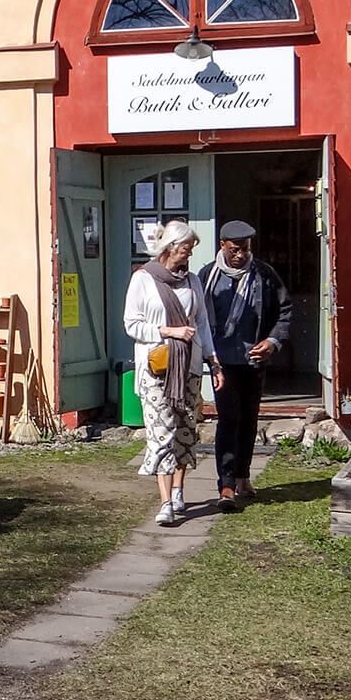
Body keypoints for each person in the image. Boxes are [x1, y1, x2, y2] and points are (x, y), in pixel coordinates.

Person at [124, 220, 221, 527]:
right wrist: (167, 331)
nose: (189, 254)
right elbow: (131, 324)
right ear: (169, 248)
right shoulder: (143, 279)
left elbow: (202, 323)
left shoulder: (192, 280)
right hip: (157, 368)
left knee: (185, 430)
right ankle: (165, 502)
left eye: (191, 249)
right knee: (161, 433)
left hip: (188, 367)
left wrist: (213, 360)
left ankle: (179, 491)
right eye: (185, 248)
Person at [198, 219, 294, 509]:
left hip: (253, 360)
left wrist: (273, 341)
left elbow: (285, 310)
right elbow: (196, 315)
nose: (240, 255)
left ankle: (242, 475)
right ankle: (225, 485)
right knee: (229, 419)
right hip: (222, 361)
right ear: (222, 246)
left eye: (246, 249)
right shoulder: (207, 276)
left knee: (249, 419)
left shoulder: (264, 275)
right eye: (235, 249)